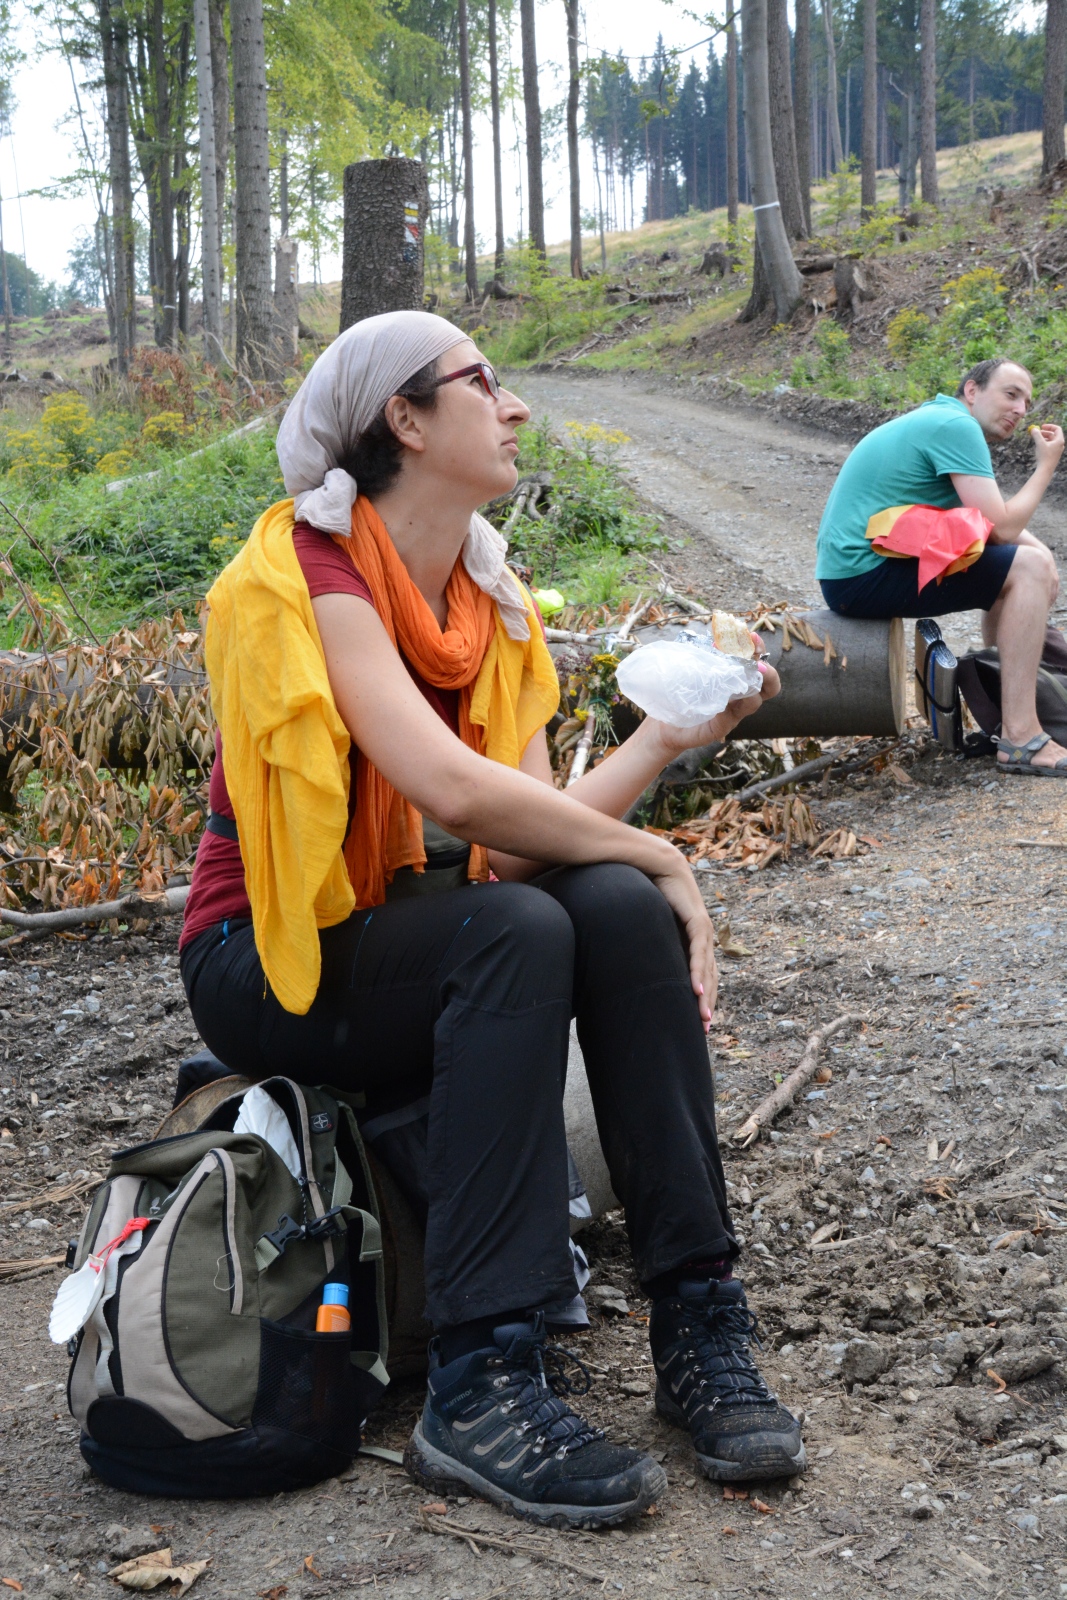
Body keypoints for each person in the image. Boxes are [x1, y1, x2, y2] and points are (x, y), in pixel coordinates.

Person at [179, 310, 804, 1528]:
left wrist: (661, 745)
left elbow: (517, 842)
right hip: (267, 958)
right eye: (482, 382)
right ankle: (480, 1378)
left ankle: (697, 1316)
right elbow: (450, 789)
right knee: (526, 927)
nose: (513, 406)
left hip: (417, 939)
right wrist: (665, 852)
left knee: (610, 906)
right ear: (403, 419)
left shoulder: (488, 597)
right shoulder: (305, 576)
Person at [816, 357, 1067, 776]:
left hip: (851, 571)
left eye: (1027, 401)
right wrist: (1047, 465)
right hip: (863, 572)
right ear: (972, 390)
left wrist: (1044, 555)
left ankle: (1005, 718)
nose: (1021, 409)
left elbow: (983, 521)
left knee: (1023, 568)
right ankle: (1021, 736)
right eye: (1010, 394)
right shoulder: (957, 427)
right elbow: (1003, 528)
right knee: (1026, 569)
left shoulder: (940, 421)